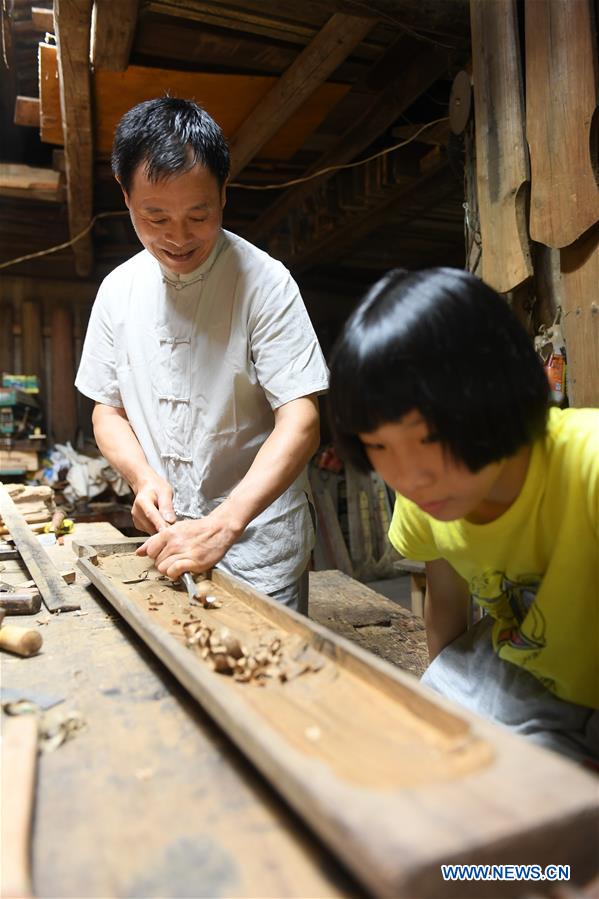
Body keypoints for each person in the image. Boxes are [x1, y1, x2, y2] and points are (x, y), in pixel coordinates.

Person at [327, 267, 599, 765]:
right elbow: (446, 606)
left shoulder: (590, 465)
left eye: (429, 437)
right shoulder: (426, 496)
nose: (410, 477)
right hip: (522, 676)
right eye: (378, 445)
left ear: (496, 393)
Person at [76, 97, 329, 613]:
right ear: (126, 197)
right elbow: (107, 409)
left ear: (224, 195)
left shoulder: (265, 282)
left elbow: (301, 420)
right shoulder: (117, 290)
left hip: (259, 540)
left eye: (198, 214)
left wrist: (226, 522)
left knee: (263, 683)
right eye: (155, 217)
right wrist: (142, 478)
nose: (178, 237)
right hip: (169, 540)